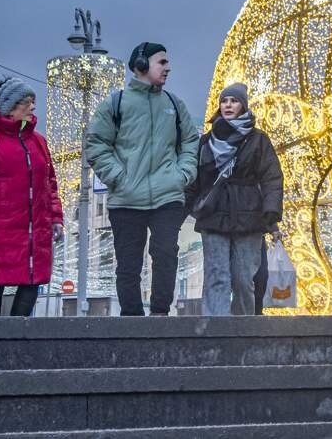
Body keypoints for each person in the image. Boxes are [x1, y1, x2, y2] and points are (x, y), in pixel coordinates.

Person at [85, 42, 199, 316]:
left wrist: (182, 174)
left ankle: (160, 314)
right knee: (128, 264)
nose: (168, 67)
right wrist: (118, 177)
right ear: (141, 66)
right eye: (161, 62)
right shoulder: (116, 103)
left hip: (167, 196)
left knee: (165, 255)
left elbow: (191, 142)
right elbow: (96, 144)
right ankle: (131, 319)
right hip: (126, 199)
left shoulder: (174, 104)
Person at [0, 76, 64, 317]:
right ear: (9, 107)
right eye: (26, 101)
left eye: (33, 101)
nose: (32, 107)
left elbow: (50, 184)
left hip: (34, 230)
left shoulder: (38, 142)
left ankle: (19, 335)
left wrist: (56, 218)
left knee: (32, 281)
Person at [186, 83, 283, 316]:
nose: (228, 105)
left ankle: (243, 328)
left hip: (249, 214)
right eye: (224, 101)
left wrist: (271, 211)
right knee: (216, 275)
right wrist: (188, 207)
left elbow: (271, 176)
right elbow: (195, 179)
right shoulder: (206, 140)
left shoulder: (258, 139)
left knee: (243, 279)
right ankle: (216, 328)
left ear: (243, 105)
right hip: (214, 213)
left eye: (234, 101)